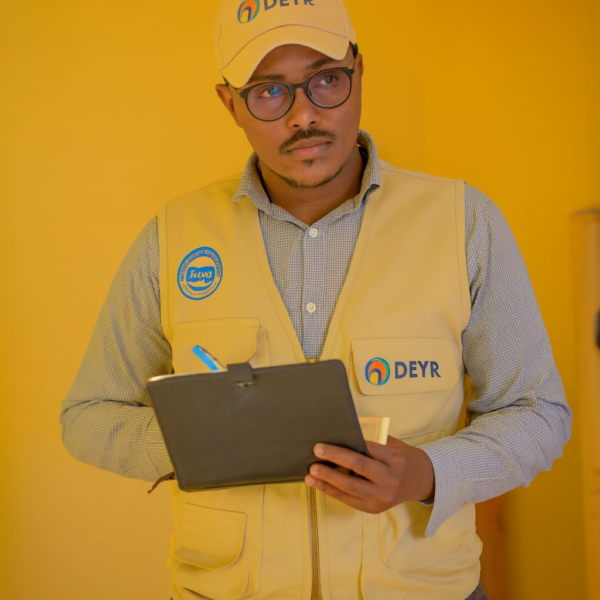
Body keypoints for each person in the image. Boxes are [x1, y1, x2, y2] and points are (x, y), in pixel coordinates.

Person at [60, 0, 572, 599]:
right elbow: (89, 415)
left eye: (327, 79)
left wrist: (429, 473)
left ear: (360, 72)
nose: (304, 115)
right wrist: (202, 440)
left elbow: (537, 412)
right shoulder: (170, 239)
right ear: (229, 103)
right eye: (268, 92)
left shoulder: (465, 223)